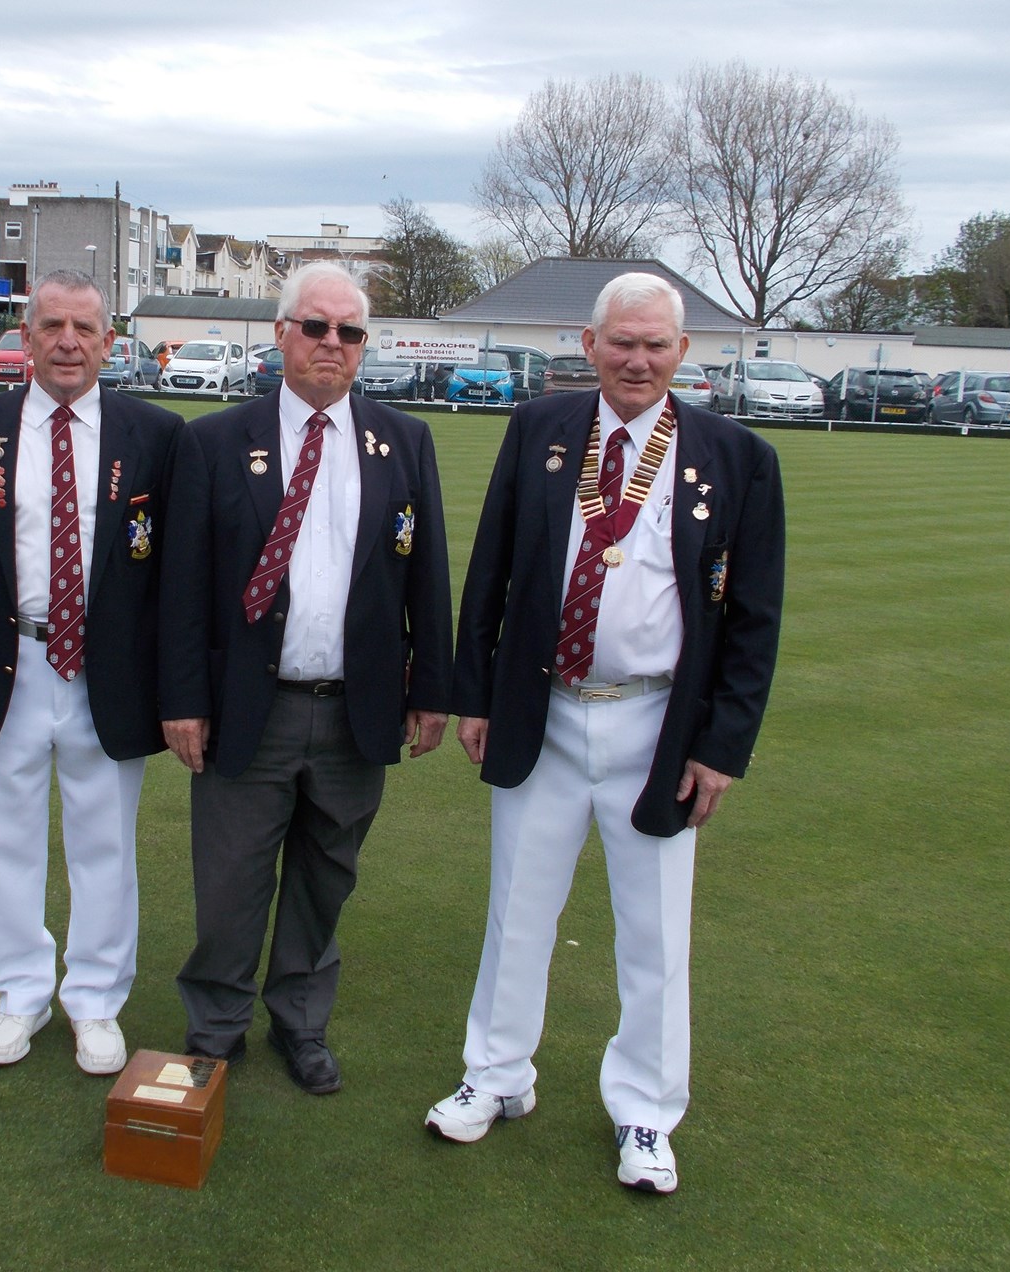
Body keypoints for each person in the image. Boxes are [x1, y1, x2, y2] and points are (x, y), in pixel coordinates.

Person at [422, 271, 785, 1194]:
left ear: (682, 353)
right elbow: (493, 571)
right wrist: (479, 697)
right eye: (621, 343)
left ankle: (647, 1113)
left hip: (656, 723)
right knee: (517, 911)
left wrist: (721, 748)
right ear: (588, 346)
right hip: (544, 713)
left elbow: (753, 621)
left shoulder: (736, 458)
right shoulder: (540, 431)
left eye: (656, 345)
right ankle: (496, 1078)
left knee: (655, 932)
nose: (637, 360)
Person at [159, 261, 452, 1094]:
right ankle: (216, 1023)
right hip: (250, 707)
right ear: (282, 334)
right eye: (316, 327)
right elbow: (181, 585)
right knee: (230, 883)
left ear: (365, 346)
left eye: (349, 332)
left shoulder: (403, 442)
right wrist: (182, 701)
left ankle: (300, 1022)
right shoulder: (214, 441)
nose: (332, 344)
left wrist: (432, 689)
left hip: (355, 709)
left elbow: (426, 576)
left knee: (326, 878)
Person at [0, 270, 182, 1076]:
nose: (69, 341)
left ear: (108, 342)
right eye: (52, 326)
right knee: (9, 839)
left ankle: (95, 1000)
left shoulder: (155, 435)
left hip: (109, 672)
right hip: (8, 664)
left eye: (84, 328)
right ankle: (20, 992)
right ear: (25, 339)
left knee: (105, 843)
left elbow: (172, 577)